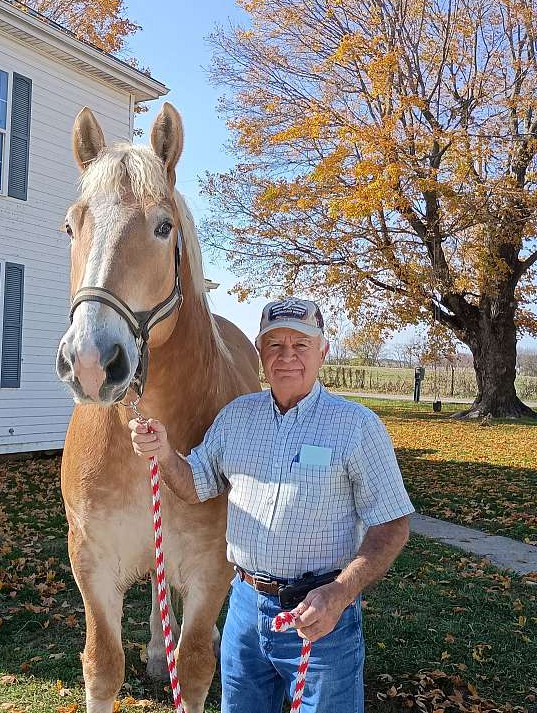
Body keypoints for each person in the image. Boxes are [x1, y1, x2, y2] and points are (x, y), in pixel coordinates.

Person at [130, 297, 415, 713]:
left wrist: (340, 592)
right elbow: (196, 484)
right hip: (245, 611)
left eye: (300, 345)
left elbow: (391, 525)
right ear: (260, 353)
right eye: (275, 345)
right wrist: (165, 453)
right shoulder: (236, 418)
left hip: (321, 616)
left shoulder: (356, 427)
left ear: (323, 352)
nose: (287, 357)